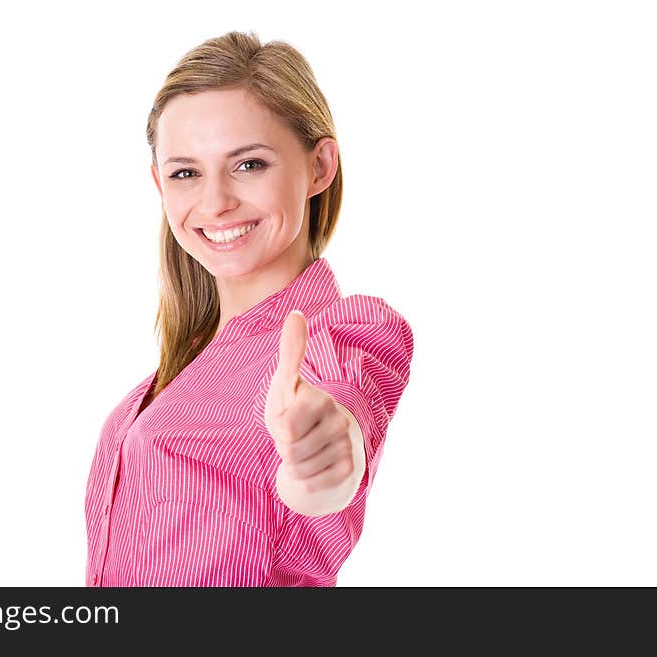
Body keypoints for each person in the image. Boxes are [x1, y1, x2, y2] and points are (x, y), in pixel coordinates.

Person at [84, 30, 414, 587]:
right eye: (185, 173)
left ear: (319, 167)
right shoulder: (172, 373)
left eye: (249, 165)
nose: (215, 202)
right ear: (159, 185)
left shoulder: (339, 333)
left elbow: (341, 415)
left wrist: (325, 456)